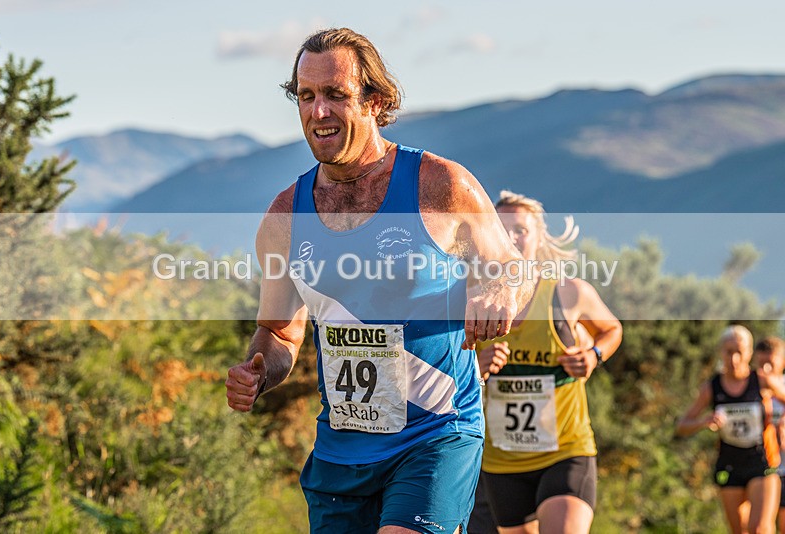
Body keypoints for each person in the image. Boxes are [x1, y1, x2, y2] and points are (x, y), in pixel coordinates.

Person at [224, 28, 533, 533]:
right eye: (306, 96)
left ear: (376, 101)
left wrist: (498, 289)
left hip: (434, 435)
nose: (318, 111)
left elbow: (512, 266)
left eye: (335, 95)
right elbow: (280, 333)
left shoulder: (440, 185)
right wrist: (260, 373)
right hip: (342, 453)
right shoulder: (285, 215)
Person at [469, 191, 622, 534]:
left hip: (565, 451)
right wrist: (475, 365)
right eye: (502, 229)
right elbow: (442, 364)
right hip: (502, 461)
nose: (511, 237)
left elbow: (611, 329)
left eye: (521, 229)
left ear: (538, 237)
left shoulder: (568, 292)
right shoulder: (471, 297)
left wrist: (594, 356)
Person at [676, 326, 785, 534]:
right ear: (720, 352)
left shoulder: (761, 380)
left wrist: (782, 422)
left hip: (762, 461)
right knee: (739, 531)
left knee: (759, 528)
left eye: (739, 351)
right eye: (728, 351)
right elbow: (682, 426)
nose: (734, 358)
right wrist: (704, 421)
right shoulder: (712, 387)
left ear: (749, 353)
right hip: (730, 463)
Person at [753, 336, 785, 533]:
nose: (765, 370)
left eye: (770, 364)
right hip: (758, 469)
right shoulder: (748, 389)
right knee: (757, 527)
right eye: (761, 364)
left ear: (782, 361)